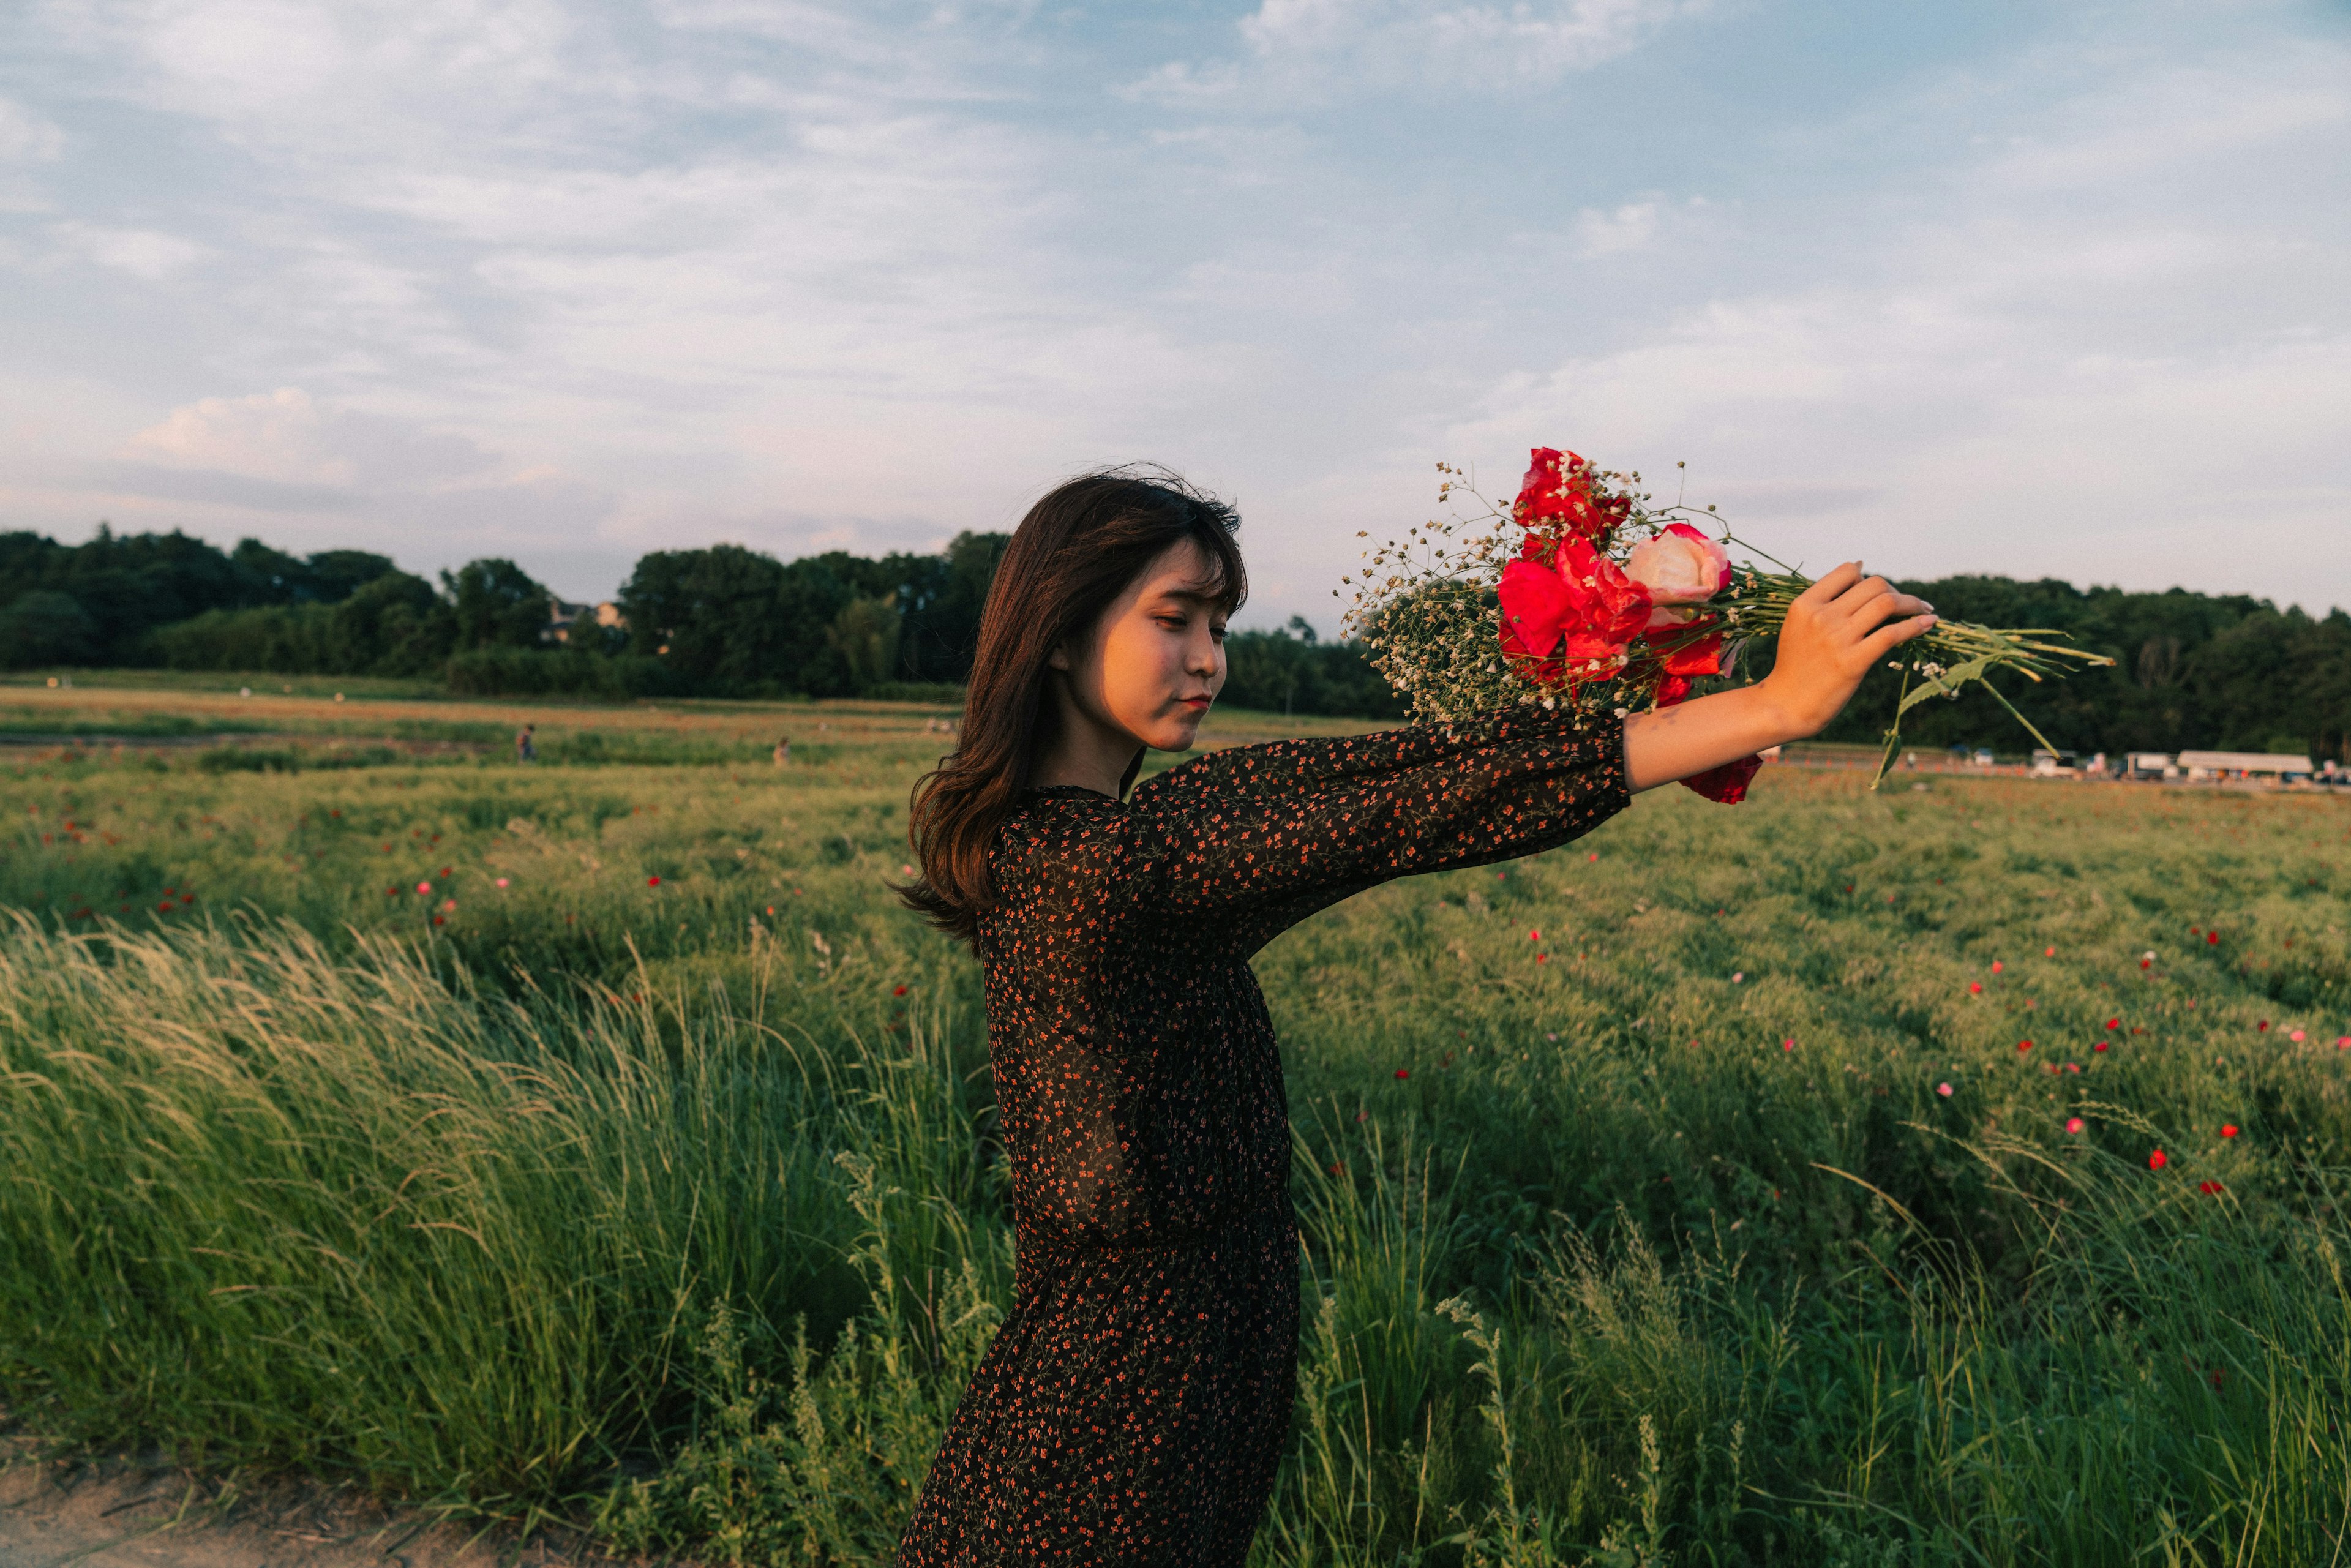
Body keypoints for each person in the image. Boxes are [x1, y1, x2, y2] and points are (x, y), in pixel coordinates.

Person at [890, 466, 1935, 1568]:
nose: (1209, 657)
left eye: (1219, 623)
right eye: (1174, 619)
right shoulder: (1092, 868)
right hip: (1092, 1460)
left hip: (1157, 1427)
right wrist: (1772, 707)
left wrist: (1682, 679)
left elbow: (1391, 770)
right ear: (1058, 631)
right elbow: (1405, 812)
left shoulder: (1129, 838)